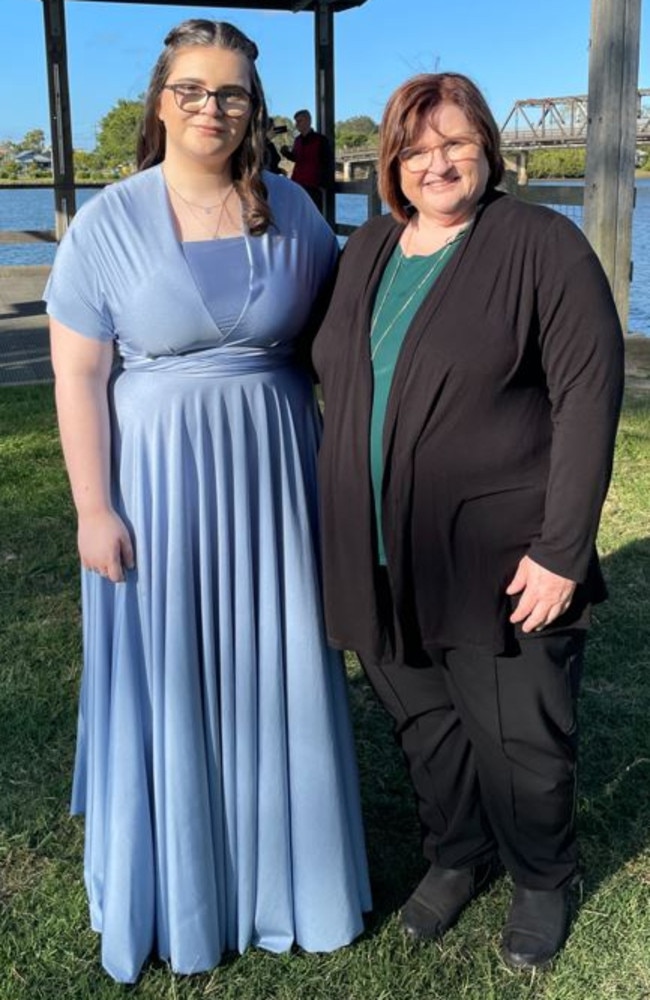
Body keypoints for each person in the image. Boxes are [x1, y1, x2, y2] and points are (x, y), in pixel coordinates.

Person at [44, 18, 370, 984]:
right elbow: (76, 377)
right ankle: (177, 885)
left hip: (272, 473)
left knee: (276, 659)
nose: (212, 108)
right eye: (192, 89)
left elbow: (347, 325)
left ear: (253, 109)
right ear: (160, 99)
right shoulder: (110, 219)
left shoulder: (295, 212)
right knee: (170, 665)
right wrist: (92, 506)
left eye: (231, 93)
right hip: (154, 478)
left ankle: (287, 875)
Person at [312, 72, 624, 971]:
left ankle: (540, 875)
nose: (436, 161)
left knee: (521, 732)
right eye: (415, 148)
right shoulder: (367, 249)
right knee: (424, 722)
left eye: (454, 142)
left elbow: (586, 399)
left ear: (488, 146)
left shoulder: (542, 246)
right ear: (392, 165)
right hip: (376, 550)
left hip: (497, 552)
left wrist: (562, 549)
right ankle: (457, 853)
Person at [281, 109, 331, 211]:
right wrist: (286, 153)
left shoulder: (321, 140)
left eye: (299, 121)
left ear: (308, 121)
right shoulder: (297, 140)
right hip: (297, 185)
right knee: (297, 214)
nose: (296, 124)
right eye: (296, 121)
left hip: (313, 186)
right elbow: (297, 159)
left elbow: (327, 162)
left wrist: (323, 184)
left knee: (314, 216)